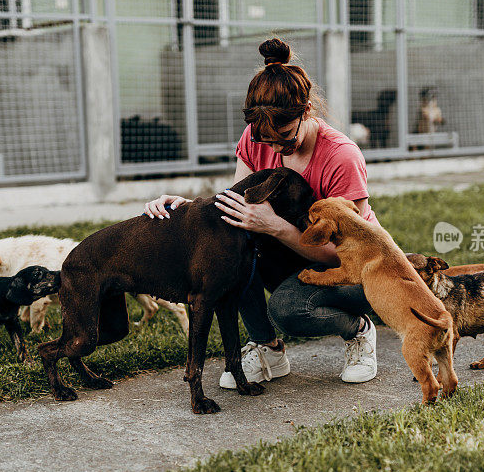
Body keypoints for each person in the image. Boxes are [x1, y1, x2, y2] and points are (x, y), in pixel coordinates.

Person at [143, 38, 380, 387]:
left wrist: (277, 228)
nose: (274, 148)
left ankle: (359, 330)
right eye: (264, 140)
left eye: (284, 137)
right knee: (230, 247)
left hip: (355, 271)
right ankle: (268, 348)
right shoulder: (258, 138)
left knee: (288, 310)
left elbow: (348, 253)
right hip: (294, 255)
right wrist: (186, 208)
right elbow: (235, 206)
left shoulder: (341, 156)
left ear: (307, 110)